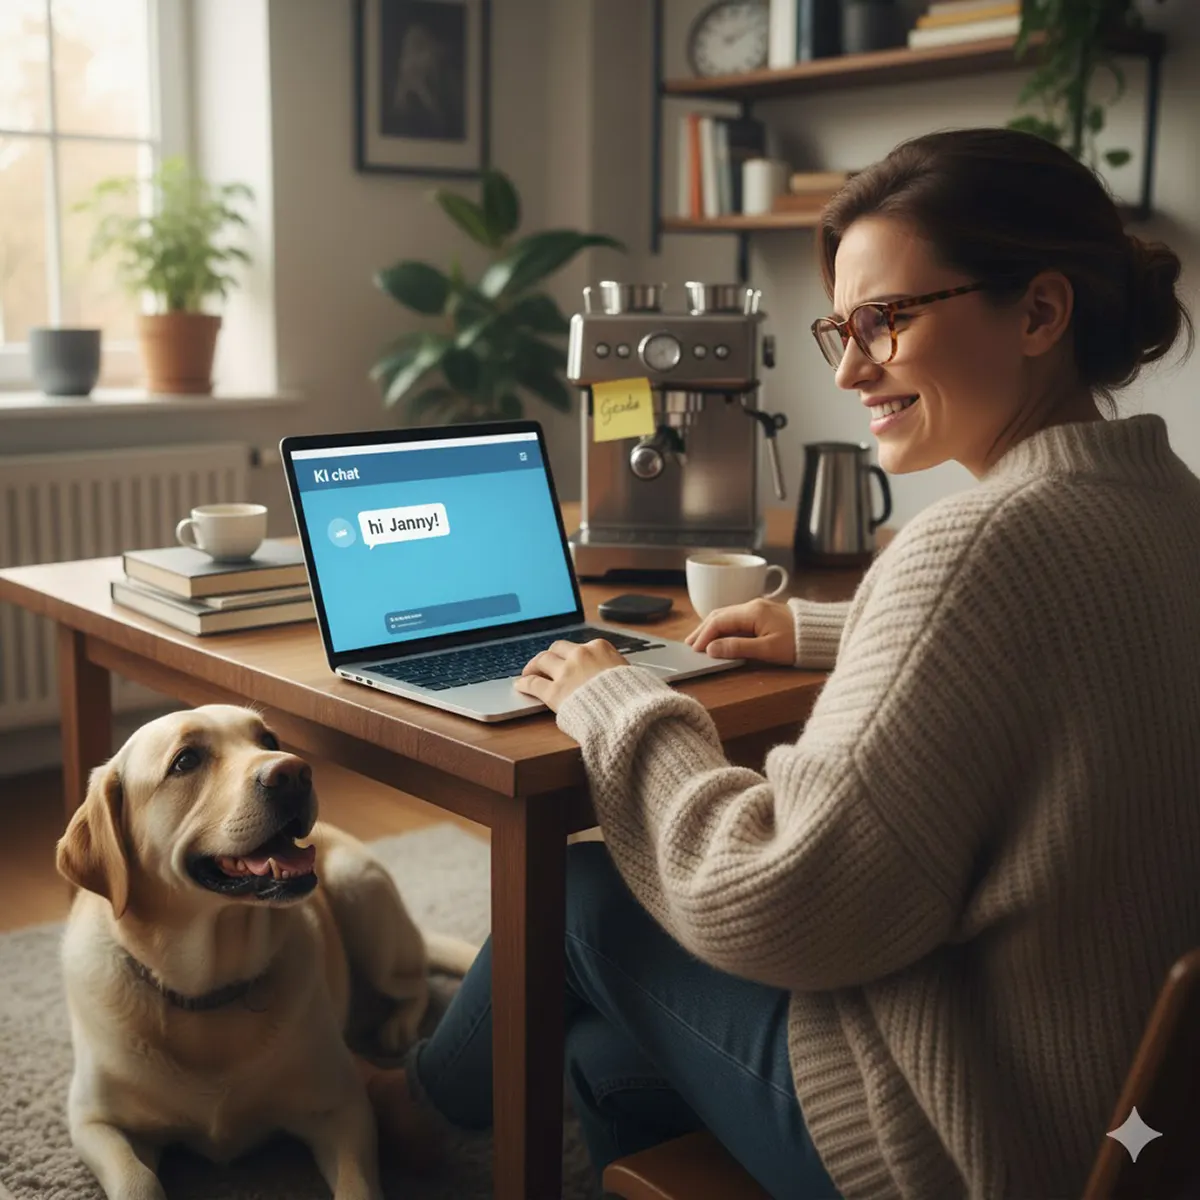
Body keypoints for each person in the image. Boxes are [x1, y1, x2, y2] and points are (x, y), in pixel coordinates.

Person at [361, 126, 1200, 1199]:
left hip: (980, 1141)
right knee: (597, 1061)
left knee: (578, 893)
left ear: (1039, 312)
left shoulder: (976, 546)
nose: (851, 368)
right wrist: (835, 628)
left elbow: (784, 901)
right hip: (1137, 1123)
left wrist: (619, 702)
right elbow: (1078, 651)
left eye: (887, 321)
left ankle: (411, 1107)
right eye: (841, 329)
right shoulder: (1168, 507)